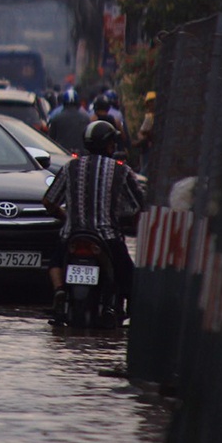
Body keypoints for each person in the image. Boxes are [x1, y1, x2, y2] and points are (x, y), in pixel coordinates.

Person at [43, 119, 144, 308]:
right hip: (107, 238)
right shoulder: (122, 171)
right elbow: (141, 204)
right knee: (128, 274)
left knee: (55, 262)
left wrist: (66, 217)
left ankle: (59, 290)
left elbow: (48, 201)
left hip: (73, 235)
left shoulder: (70, 167)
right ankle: (130, 307)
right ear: (109, 145)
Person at [44, 86, 90, 155]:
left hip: (61, 153)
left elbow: (51, 139)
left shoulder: (57, 117)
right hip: (81, 154)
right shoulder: (86, 117)